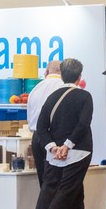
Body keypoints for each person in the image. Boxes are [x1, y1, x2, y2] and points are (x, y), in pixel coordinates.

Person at [30, 59, 94, 209]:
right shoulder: (84, 96)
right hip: (78, 150)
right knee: (68, 191)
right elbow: (83, 124)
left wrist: (52, 147)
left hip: (54, 152)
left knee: (54, 188)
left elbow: (41, 127)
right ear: (79, 77)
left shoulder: (52, 97)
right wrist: (67, 145)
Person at [27, 60, 65, 188]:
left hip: (37, 137)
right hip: (55, 138)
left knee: (44, 184)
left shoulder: (35, 89)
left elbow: (29, 117)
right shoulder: (64, 87)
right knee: (58, 184)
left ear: (46, 72)